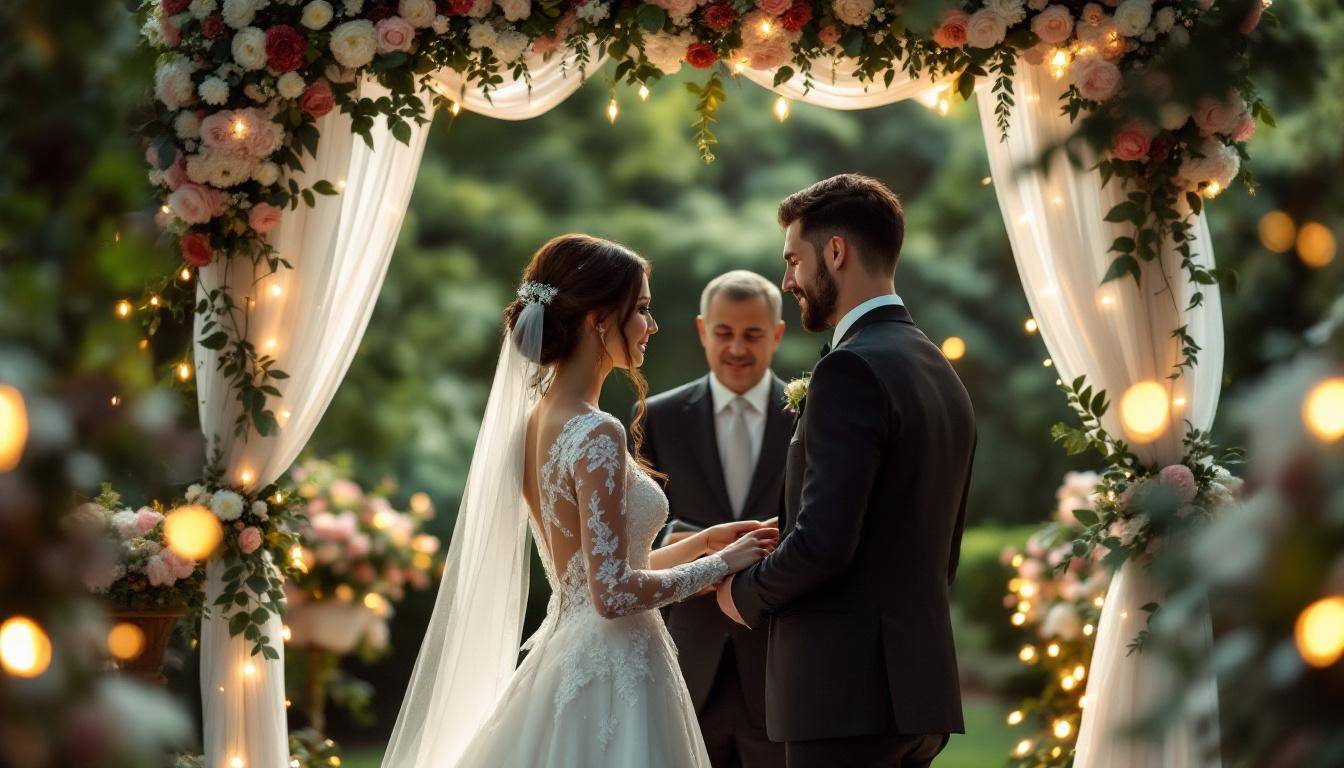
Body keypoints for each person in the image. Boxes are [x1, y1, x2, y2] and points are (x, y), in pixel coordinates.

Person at [382, 234, 778, 768]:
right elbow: (612, 595)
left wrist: (702, 542)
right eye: (640, 309)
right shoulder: (597, 432)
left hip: (570, 654)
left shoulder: (533, 422)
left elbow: (592, 577)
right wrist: (719, 566)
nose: (651, 325)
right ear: (599, 318)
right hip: (614, 669)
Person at [716, 175, 978, 768]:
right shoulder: (938, 370)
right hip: (919, 692)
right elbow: (940, 545)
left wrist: (744, 593)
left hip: (844, 696)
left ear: (836, 253)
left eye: (793, 261)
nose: (788, 281)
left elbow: (825, 543)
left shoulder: (849, 369)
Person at [636, 271, 790, 768]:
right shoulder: (656, 417)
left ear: (778, 335)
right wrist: (683, 545)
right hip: (686, 659)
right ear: (703, 331)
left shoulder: (814, 418)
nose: (737, 349)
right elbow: (633, 537)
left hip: (779, 664)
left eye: (752, 334)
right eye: (724, 333)